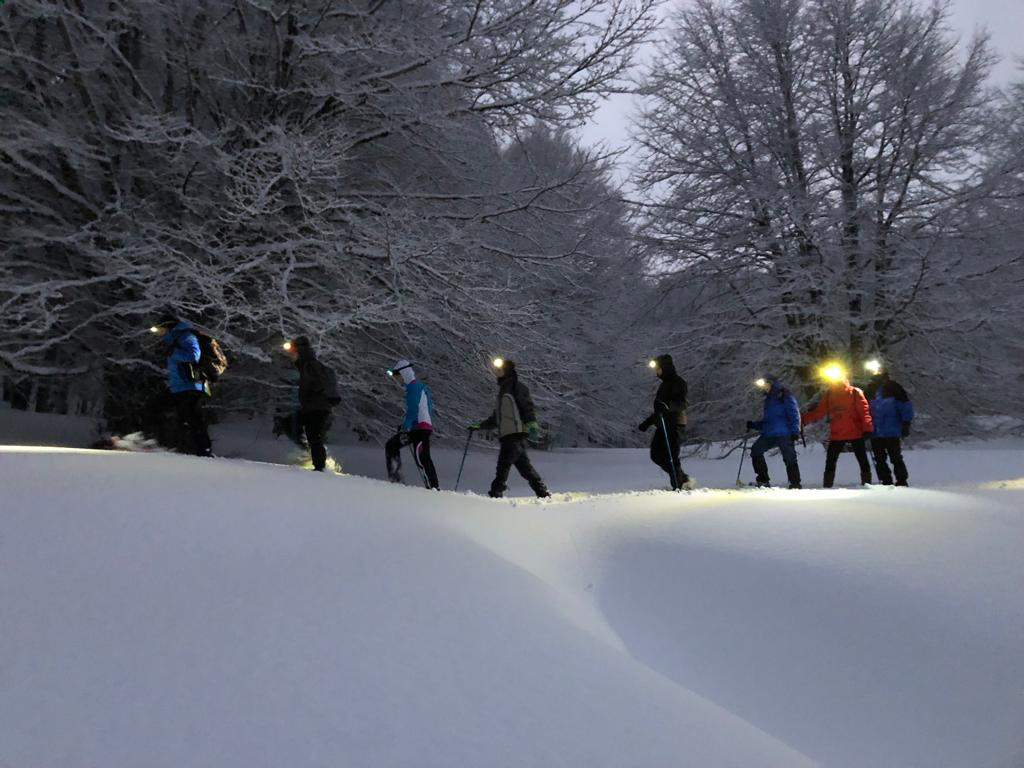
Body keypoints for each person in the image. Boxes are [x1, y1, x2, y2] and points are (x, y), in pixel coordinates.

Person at [470, 359, 550, 499]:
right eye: (497, 370)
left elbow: (527, 406)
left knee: (503, 464)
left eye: (500, 370)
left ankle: (496, 492)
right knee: (525, 468)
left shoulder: (517, 388)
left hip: (515, 433)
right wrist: (480, 426)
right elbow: (497, 418)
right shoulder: (502, 393)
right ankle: (542, 491)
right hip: (508, 435)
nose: (497, 372)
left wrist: (531, 423)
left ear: (507, 371)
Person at [801, 371, 874, 487]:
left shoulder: (854, 392)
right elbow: (820, 411)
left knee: (861, 458)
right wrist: (803, 420)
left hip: (853, 432)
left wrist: (867, 429)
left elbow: (864, 412)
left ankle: (866, 483)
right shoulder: (830, 394)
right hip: (839, 433)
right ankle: (828, 485)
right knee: (832, 459)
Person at [155, 316, 212, 456]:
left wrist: (173, 353)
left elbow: (194, 355)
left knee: (192, 417)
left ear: (168, 327)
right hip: (179, 386)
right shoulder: (173, 340)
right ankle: (178, 447)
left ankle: (203, 450)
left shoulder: (186, 336)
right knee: (180, 415)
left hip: (192, 386)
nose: (159, 333)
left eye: (160, 330)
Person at [284, 336, 341, 472]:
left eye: (293, 353)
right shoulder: (307, 365)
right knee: (294, 426)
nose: (292, 356)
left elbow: (317, 383)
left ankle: (319, 466)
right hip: (314, 406)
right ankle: (310, 454)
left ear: (299, 351)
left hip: (317, 407)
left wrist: (312, 392)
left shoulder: (310, 365)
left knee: (313, 435)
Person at [639, 354, 693, 490]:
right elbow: (660, 409)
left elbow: (682, 403)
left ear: (665, 368)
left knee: (671, 455)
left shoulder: (678, 382)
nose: (657, 372)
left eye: (658, 368)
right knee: (656, 455)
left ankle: (679, 484)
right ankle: (681, 477)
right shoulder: (664, 384)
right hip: (663, 424)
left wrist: (668, 406)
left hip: (675, 423)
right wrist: (649, 422)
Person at [384, 360, 440, 489]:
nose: (397, 381)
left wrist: (406, 425)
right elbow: (428, 407)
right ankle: (397, 478)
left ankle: (433, 487)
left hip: (420, 429)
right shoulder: (419, 387)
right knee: (393, 445)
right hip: (419, 427)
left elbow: (413, 409)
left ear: (404, 374)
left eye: (397, 377)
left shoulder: (413, 388)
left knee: (422, 457)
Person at [746, 376, 802, 489]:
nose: (763, 388)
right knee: (756, 450)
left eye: (765, 385)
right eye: (762, 386)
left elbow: (794, 414)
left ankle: (795, 483)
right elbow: (769, 421)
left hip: (784, 433)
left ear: (771, 384)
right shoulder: (768, 399)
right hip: (769, 434)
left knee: (789, 457)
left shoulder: (785, 396)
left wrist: (795, 431)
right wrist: (754, 425)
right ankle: (763, 480)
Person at [865, 366, 914, 486]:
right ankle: (885, 480)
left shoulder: (894, 387)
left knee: (895, 456)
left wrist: (906, 423)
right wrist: (865, 426)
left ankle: (901, 480)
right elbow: (864, 409)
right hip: (876, 430)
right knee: (879, 458)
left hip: (892, 429)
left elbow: (905, 405)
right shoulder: (870, 389)